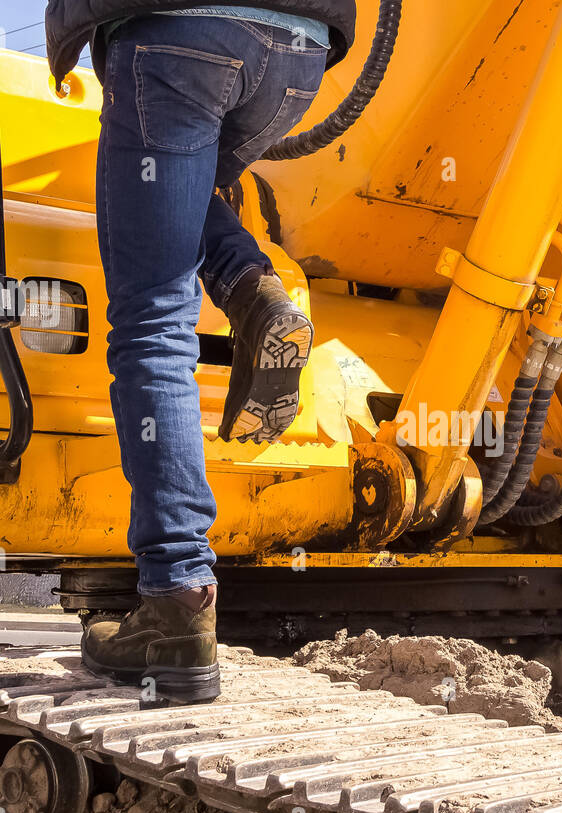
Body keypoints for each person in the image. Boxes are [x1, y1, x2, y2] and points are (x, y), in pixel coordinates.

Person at [43, 2, 357, 702]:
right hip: (300, 50)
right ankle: (253, 293)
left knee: (154, 320)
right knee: (184, 186)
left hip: (177, 35)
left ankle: (176, 602)